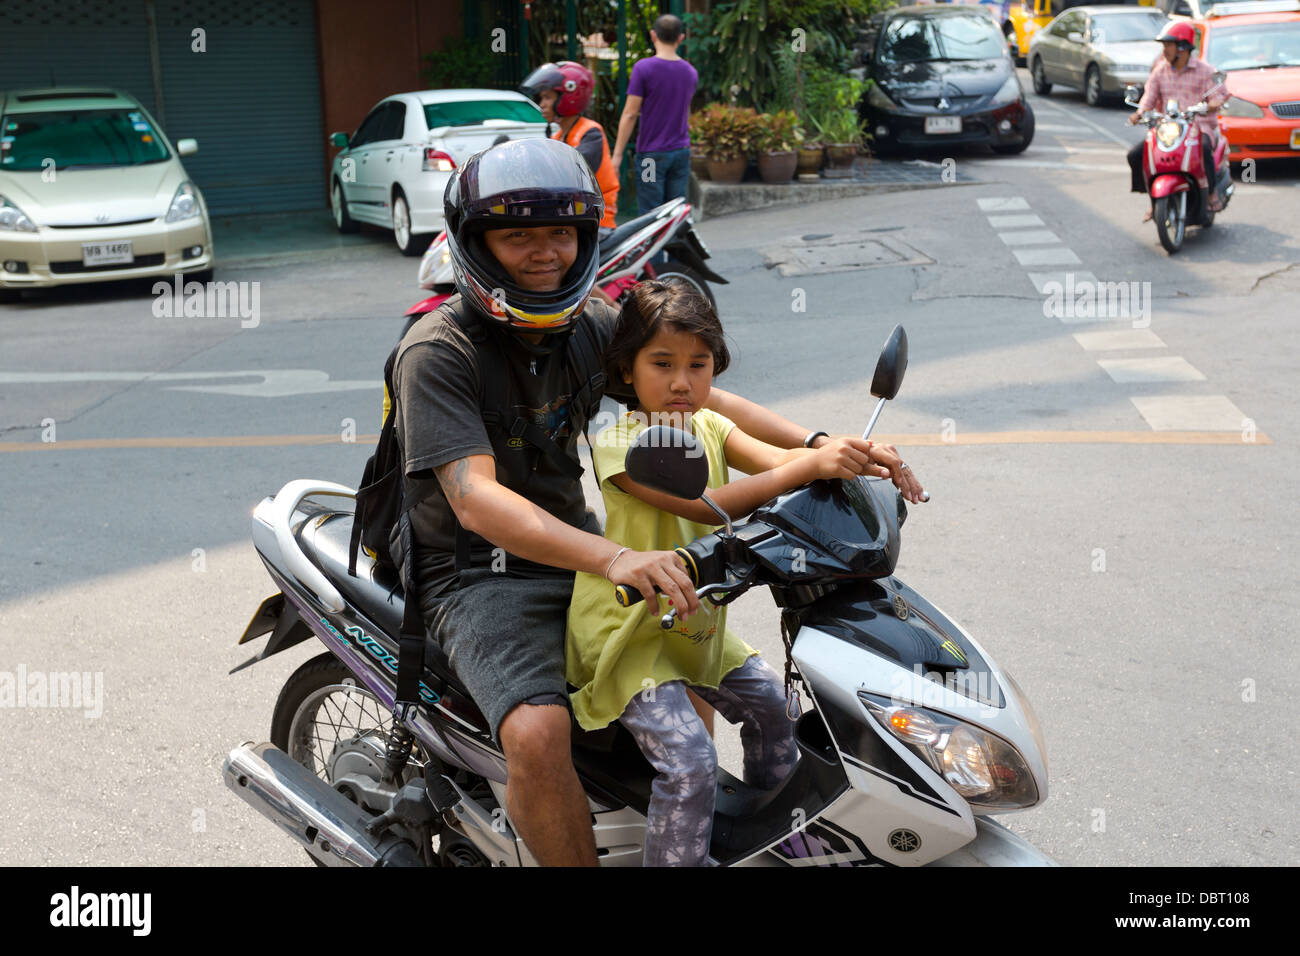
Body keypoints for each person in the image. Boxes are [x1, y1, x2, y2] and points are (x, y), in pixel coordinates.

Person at [390, 137, 923, 867]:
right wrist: (616, 555)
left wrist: (822, 447)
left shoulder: (590, 327)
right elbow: (476, 499)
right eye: (517, 236)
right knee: (537, 733)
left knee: (697, 655)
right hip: (477, 572)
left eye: (560, 234)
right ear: (479, 247)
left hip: (574, 543)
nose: (543, 253)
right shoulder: (439, 350)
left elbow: (699, 398)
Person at [565, 280, 920, 866]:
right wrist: (806, 463)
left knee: (775, 713)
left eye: (698, 364)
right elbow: (712, 503)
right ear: (627, 370)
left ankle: (775, 838)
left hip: (693, 623)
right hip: (627, 634)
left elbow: (782, 462)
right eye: (663, 364)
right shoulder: (622, 443)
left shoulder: (709, 425)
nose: (682, 381)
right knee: (691, 762)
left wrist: (853, 458)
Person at [1126, 21, 1229, 221]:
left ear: (1182, 48)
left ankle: (1212, 193)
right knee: (1135, 155)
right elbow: (1149, 97)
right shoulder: (1160, 70)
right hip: (1168, 128)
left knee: (1204, 148)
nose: (1164, 51)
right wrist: (1139, 113)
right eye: (1164, 46)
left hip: (1199, 127)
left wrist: (1213, 103)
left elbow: (1220, 94)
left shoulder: (1205, 70)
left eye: (1168, 46)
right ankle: (1154, 199)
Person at [520, 61, 620, 242]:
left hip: (597, 221)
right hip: (570, 218)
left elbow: (573, 169)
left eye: (547, 98)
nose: (542, 104)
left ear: (568, 98)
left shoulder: (590, 132)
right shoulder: (559, 135)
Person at [612, 14, 698, 217]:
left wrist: (617, 156)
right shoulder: (690, 72)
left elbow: (631, 113)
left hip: (651, 157)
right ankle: (671, 249)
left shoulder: (644, 68)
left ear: (653, 35)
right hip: (680, 154)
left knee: (651, 216)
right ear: (681, 38)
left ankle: (656, 251)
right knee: (675, 215)